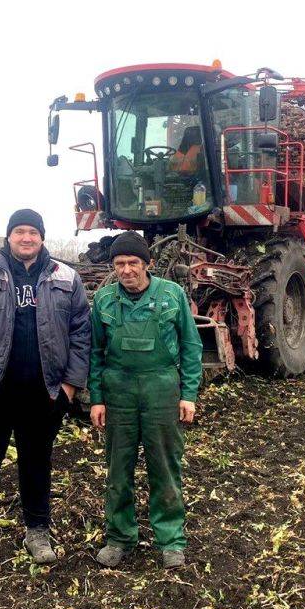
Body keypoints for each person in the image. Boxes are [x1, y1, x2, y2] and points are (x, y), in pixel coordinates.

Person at [0, 209, 91, 573]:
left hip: (45, 393)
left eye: (33, 232)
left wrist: (70, 387)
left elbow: (81, 334)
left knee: (37, 462)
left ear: (42, 237)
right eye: (19, 232)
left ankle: (37, 531)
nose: (26, 238)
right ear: (9, 237)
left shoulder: (66, 277)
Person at [88, 231, 202, 569]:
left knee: (164, 466)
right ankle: (120, 537)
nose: (126, 270)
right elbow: (95, 352)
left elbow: (191, 347)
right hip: (118, 391)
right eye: (119, 264)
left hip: (161, 389)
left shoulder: (172, 296)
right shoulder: (104, 300)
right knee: (118, 470)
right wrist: (97, 398)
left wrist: (189, 394)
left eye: (133, 263)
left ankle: (170, 540)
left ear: (147, 264)